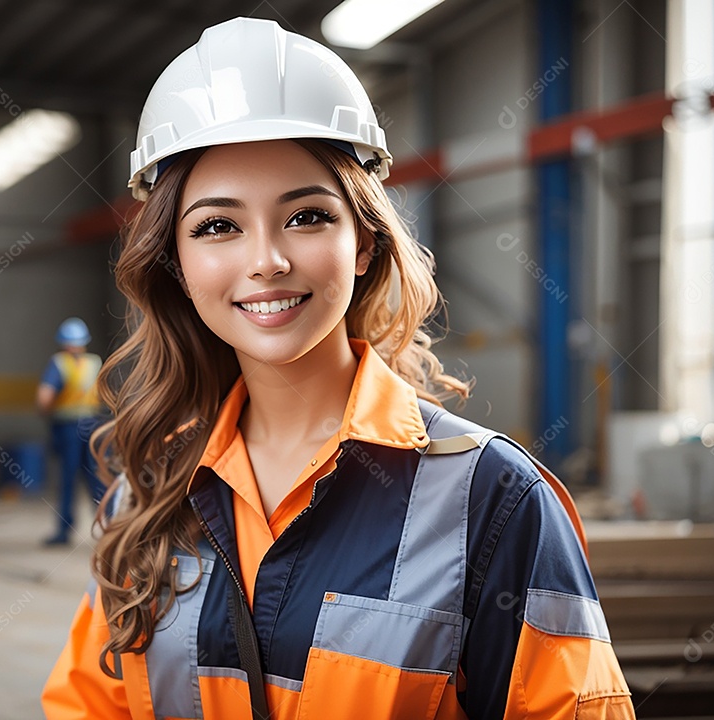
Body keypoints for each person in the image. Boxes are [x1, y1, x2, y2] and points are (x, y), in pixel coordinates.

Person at [42, 17, 635, 719]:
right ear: (176, 264)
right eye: (217, 226)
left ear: (364, 243)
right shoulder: (147, 497)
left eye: (306, 216)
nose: (266, 260)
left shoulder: (493, 503)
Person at [37, 317, 106, 546]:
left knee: (67, 480)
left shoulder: (59, 364)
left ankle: (64, 531)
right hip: (92, 425)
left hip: (68, 428)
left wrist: (45, 413)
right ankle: (110, 527)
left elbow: (44, 398)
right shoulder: (94, 362)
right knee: (97, 477)